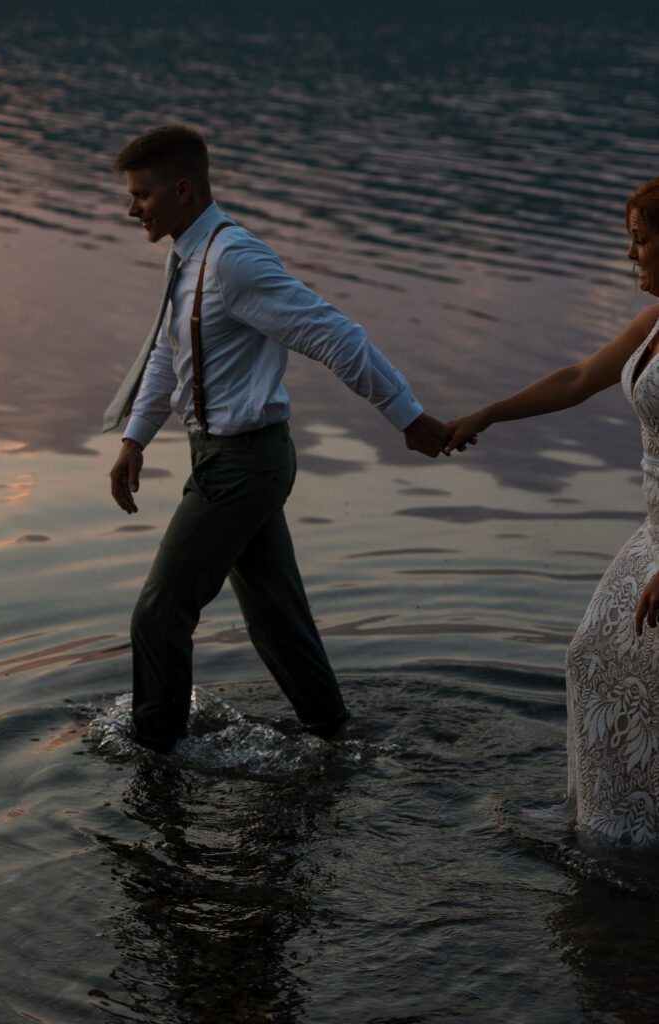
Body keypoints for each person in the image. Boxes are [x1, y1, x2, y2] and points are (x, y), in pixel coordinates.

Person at [104, 124, 452, 754]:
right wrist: (135, 440)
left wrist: (407, 415)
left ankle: (155, 762)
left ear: (182, 190)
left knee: (158, 616)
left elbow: (333, 333)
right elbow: (167, 351)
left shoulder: (233, 260)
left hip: (243, 465)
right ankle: (337, 739)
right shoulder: (184, 256)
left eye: (142, 196)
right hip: (232, 458)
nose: (132, 208)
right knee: (275, 617)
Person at [446, 176, 659, 847]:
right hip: (652, 530)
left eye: (642, 240)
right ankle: (607, 820)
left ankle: (629, 828)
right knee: (592, 657)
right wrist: (489, 413)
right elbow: (578, 377)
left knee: (623, 667)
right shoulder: (657, 320)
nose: (632, 256)